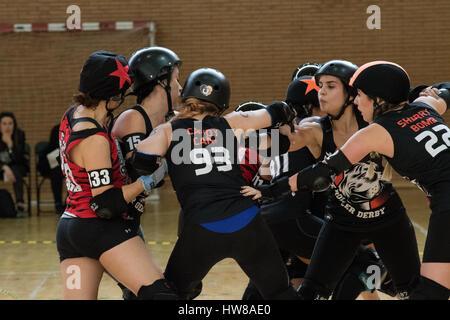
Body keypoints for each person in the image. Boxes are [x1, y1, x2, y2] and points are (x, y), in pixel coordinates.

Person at [285, 61, 450, 299]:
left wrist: (273, 190)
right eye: (320, 86)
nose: (355, 100)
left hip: (399, 215)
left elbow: (323, 173)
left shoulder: (376, 128)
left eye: (359, 94)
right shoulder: (422, 106)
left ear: (375, 98)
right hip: (343, 222)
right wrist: (432, 90)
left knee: (427, 292)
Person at [134, 67, 299, 299]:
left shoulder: (167, 131)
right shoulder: (231, 124)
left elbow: (140, 161)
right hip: (246, 223)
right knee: (280, 293)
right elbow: (278, 111)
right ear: (221, 103)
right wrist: (286, 122)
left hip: (202, 228)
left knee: (170, 294)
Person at [55, 50, 178, 300]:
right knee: (160, 296)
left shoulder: (73, 115)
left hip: (72, 229)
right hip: (99, 227)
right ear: (114, 95)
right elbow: (105, 204)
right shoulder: (93, 139)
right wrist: (145, 182)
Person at [111, 46, 182, 299]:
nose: (180, 88)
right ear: (160, 82)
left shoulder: (162, 122)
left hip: (128, 220)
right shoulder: (132, 119)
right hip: (108, 223)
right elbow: (146, 173)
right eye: (175, 80)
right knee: (153, 293)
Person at [0, 112, 29, 218]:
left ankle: (19, 204)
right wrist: (4, 167)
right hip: (2, 168)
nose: (7, 127)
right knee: (12, 170)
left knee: (16, 171)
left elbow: (19, 159)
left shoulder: (19, 135)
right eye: (4, 124)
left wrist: (10, 144)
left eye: (10, 123)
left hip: (17, 167)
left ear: (14, 124)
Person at [37, 124, 65, 214]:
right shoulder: (57, 129)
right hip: (54, 166)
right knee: (56, 174)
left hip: (68, 165)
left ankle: (69, 201)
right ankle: (58, 203)